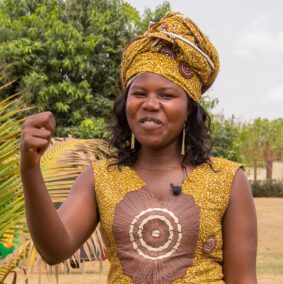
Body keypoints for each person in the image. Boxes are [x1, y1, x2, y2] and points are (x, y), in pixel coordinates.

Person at [20, 12, 257, 283]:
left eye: (167, 95)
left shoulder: (227, 180)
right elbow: (54, 249)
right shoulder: (100, 178)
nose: (151, 104)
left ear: (189, 108)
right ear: (126, 105)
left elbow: (243, 279)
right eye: (140, 93)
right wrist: (30, 168)